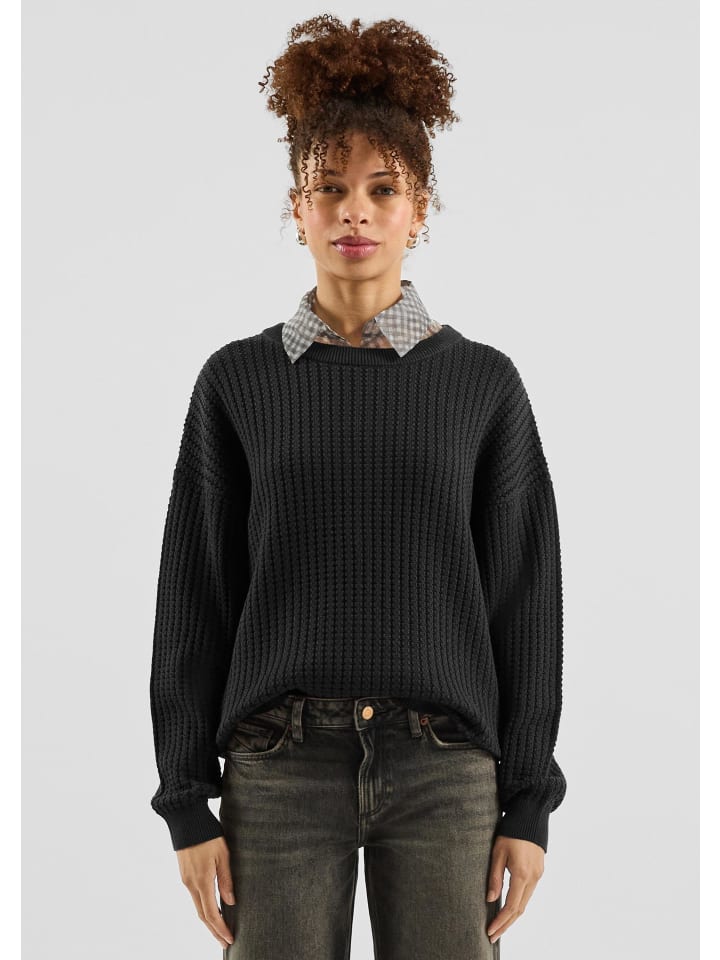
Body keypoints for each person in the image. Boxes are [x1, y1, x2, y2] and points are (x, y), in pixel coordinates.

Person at [149, 14, 567, 959]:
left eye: (384, 189)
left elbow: (525, 600)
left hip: (447, 770)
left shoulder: (482, 385)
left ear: (420, 209)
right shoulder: (238, 383)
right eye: (329, 188)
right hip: (278, 769)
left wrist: (529, 802)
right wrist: (187, 802)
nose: (355, 212)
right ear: (296, 208)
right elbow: (194, 599)